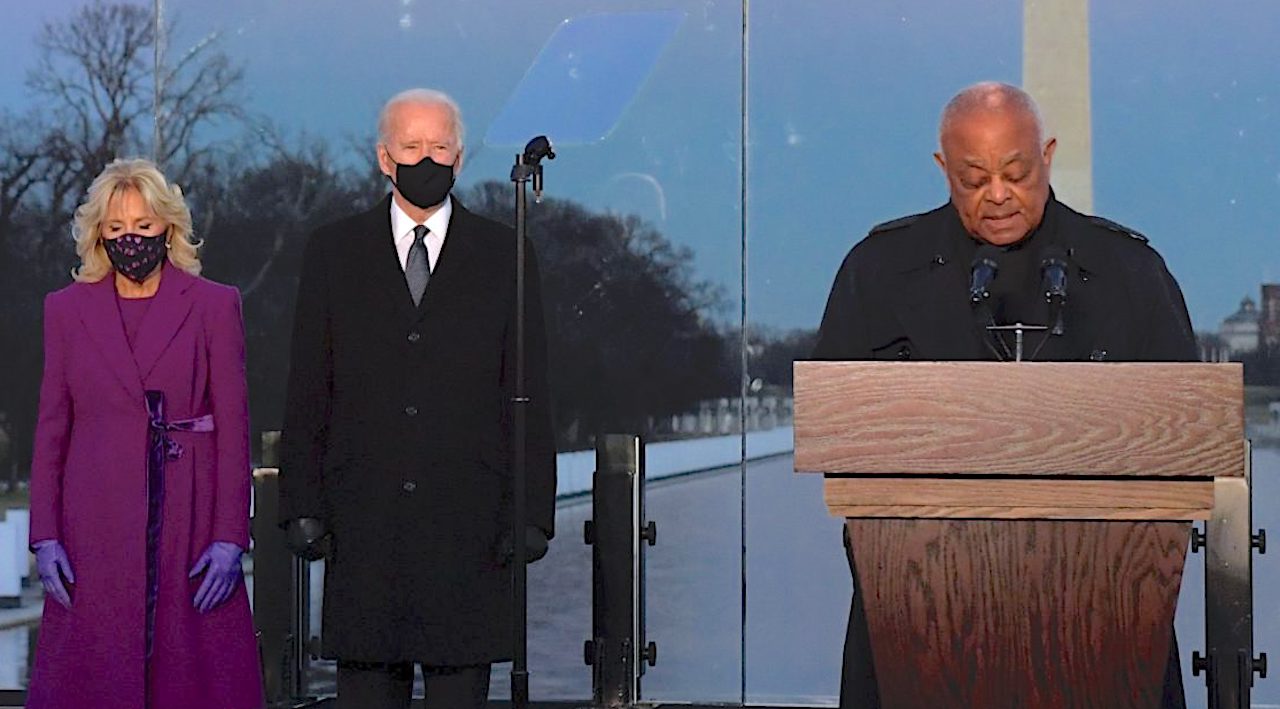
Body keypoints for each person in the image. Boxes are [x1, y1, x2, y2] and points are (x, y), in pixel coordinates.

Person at [813, 82, 1195, 708]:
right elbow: (834, 431)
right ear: (942, 169)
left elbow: (1184, 434)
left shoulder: (1129, 272)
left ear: (1047, 156)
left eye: (1016, 173)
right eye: (973, 178)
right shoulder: (878, 272)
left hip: (1108, 621)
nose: (997, 195)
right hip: (918, 620)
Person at [278, 88, 557, 709]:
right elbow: (307, 388)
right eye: (410, 146)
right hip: (363, 527)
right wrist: (300, 501)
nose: (425, 159)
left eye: (438, 147)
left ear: (459, 159)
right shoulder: (333, 251)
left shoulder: (505, 254)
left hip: (470, 531)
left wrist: (533, 511)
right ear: (383, 157)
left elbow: (531, 390)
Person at [27, 158, 264, 709]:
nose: (129, 239)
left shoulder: (213, 304)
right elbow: (51, 428)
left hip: (189, 520)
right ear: (97, 235)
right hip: (96, 526)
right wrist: (45, 536)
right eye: (115, 229)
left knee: (195, 677)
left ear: (168, 226)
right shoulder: (64, 311)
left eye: (142, 226)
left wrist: (231, 537)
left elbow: (234, 426)